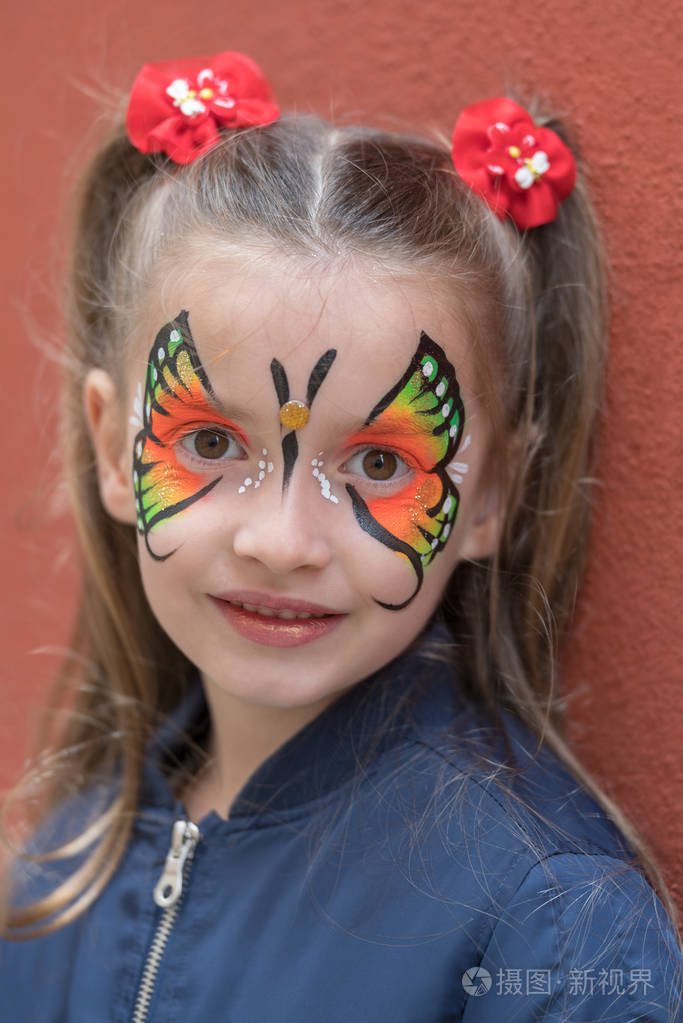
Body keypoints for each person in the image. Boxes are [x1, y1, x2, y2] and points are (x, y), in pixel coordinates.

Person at [0, 49, 681, 1022]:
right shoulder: (62, 872)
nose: (283, 541)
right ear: (114, 448)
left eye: (376, 464)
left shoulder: (552, 934)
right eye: (206, 441)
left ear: (488, 493)